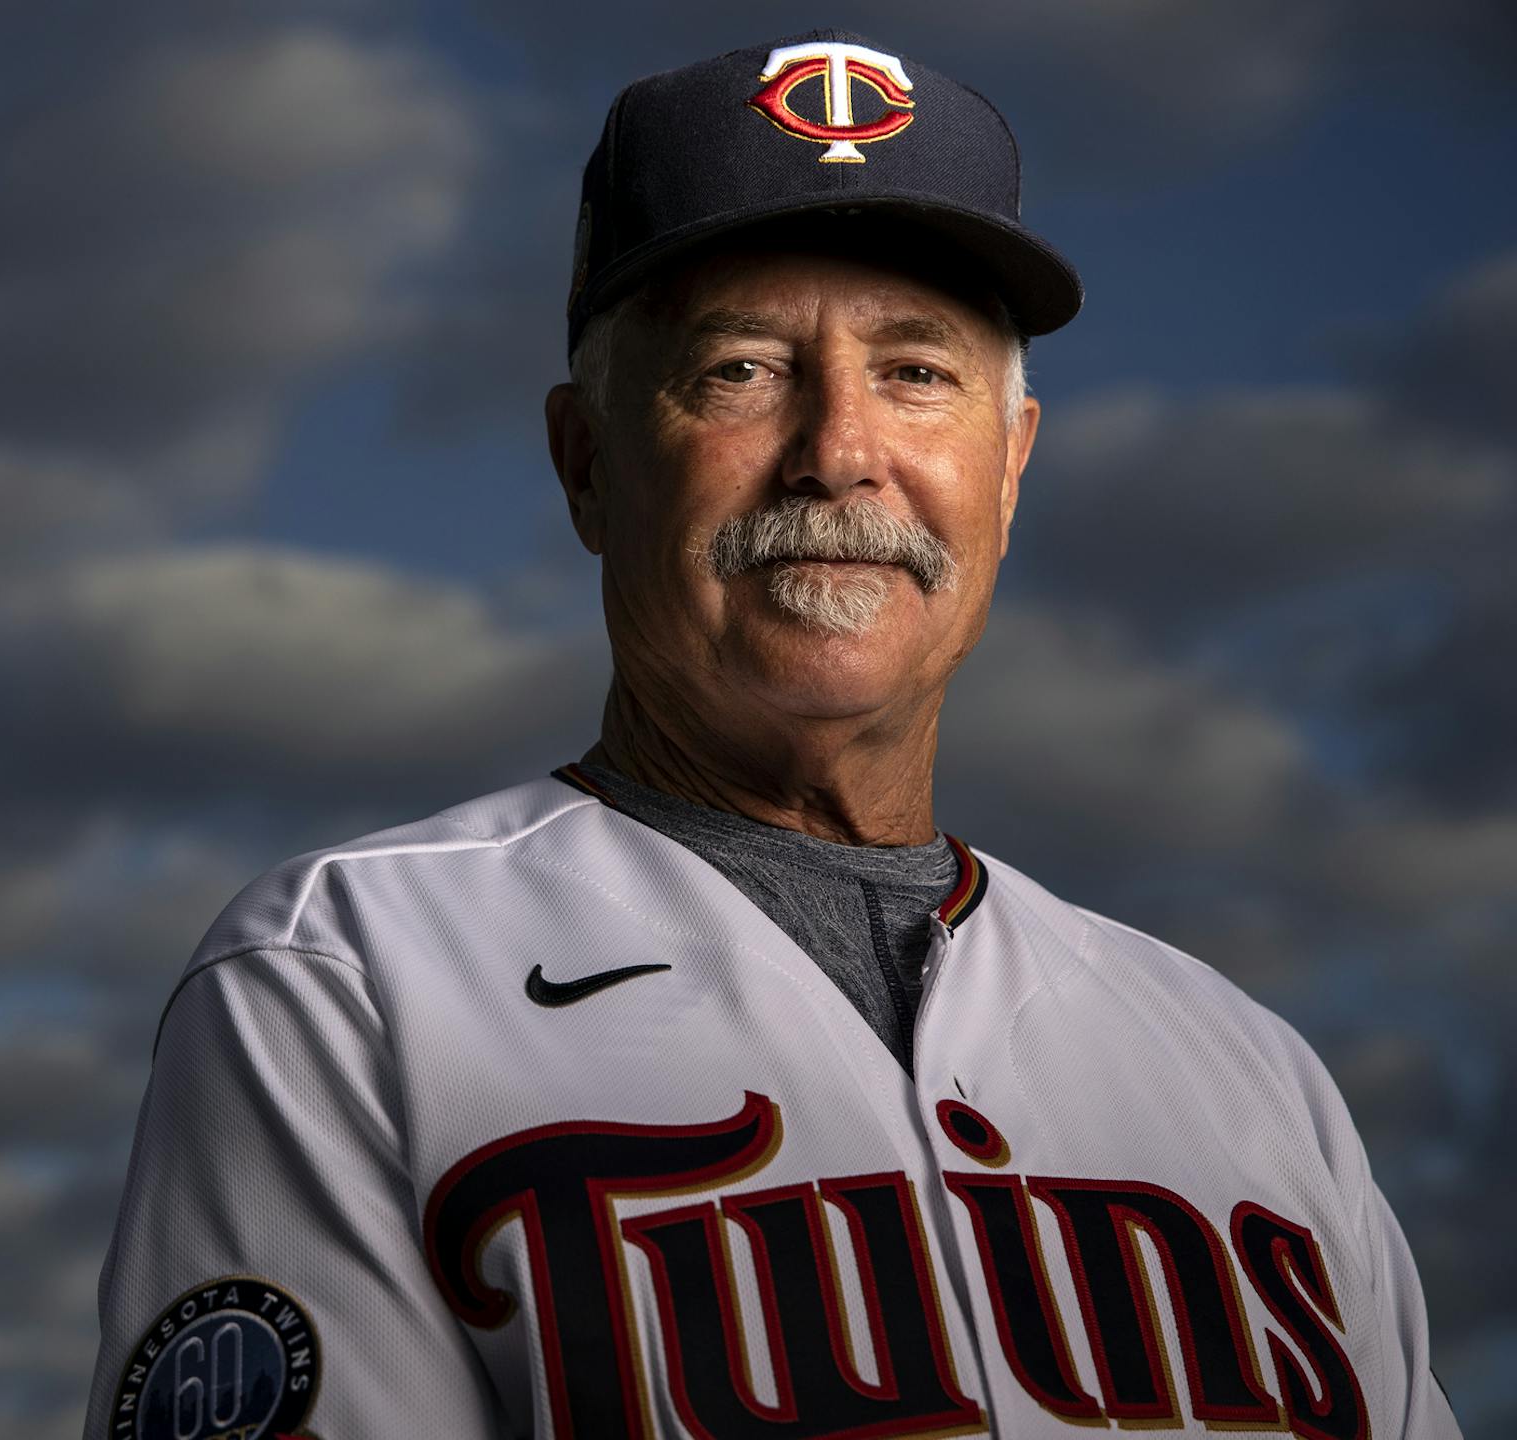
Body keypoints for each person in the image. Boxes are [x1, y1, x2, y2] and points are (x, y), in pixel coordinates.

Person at [84, 29, 1460, 1440]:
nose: (838, 451)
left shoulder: (1246, 1070)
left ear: (1009, 468)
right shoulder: (349, 978)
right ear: (587, 463)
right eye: (741, 369)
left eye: (917, 372)